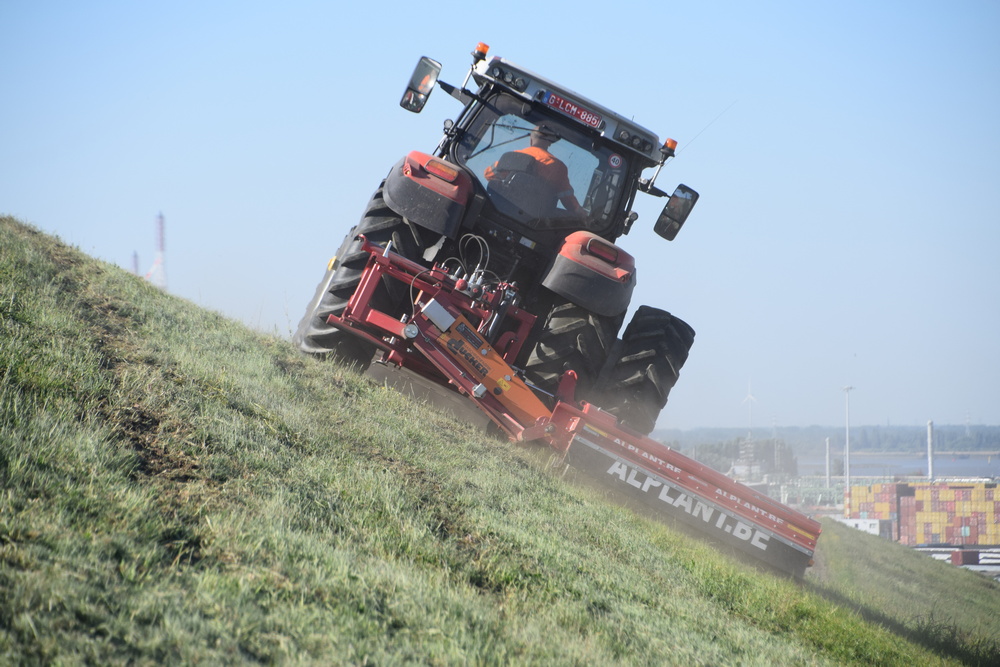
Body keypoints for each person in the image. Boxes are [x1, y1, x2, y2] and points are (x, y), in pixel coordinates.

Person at [484, 124, 585, 217]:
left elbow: (488, 174)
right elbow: (569, 201)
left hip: (502, 213)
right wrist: (584, 216)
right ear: (549, 143)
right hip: (535, 224)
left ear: (531, 140)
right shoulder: (559, 167)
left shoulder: (513, 157)